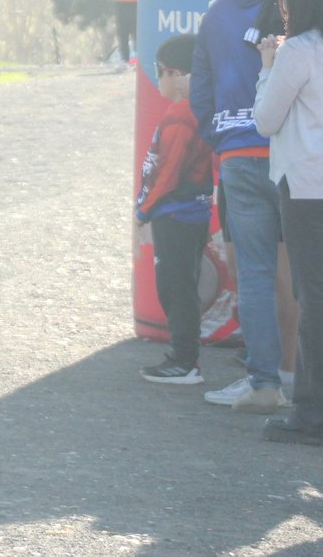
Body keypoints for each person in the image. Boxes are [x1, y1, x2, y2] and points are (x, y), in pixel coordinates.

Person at [192, 0, 296, 412]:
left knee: (253, 273)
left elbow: (200, 91)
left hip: (239, 154)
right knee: (317, 272)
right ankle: (311, 382)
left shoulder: (217, 12)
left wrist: (226, 134)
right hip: (298, 154)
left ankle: (264, 383)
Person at [252, 0, 323, 446]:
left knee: (314, 298)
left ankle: (319, 415)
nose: (282, 4)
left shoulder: (298, 51)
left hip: (307, 184)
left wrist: (266, 67)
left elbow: (266, 120)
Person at [136, 34, 216, 384]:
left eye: (160, 72)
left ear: (176, 73)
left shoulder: (181, 116)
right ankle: (184, 357)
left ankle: (185, 361)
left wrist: (142, 212)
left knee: (176, 286)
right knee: (181, 283)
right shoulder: (192, 110)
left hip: (176, 214)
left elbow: (166, 175)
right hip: (189, 213)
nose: (158, 79)